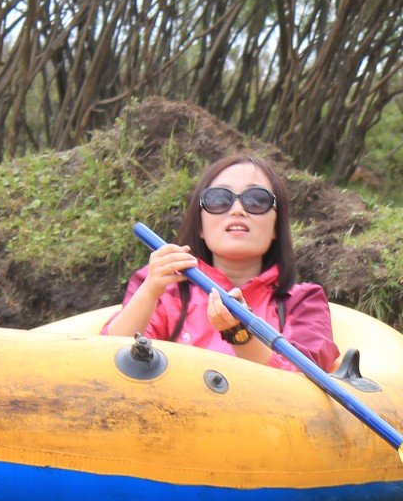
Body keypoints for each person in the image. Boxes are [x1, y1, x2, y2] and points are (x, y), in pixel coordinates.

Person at [102, 155, 338, 373]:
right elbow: (109, 363)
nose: (237, 210)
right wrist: (150, 291)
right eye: (218, 199)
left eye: (256, 200)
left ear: (277, 225)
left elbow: (303, 383)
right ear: (201, 226)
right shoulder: (164, 289)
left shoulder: (304, 303)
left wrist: (241, 335)